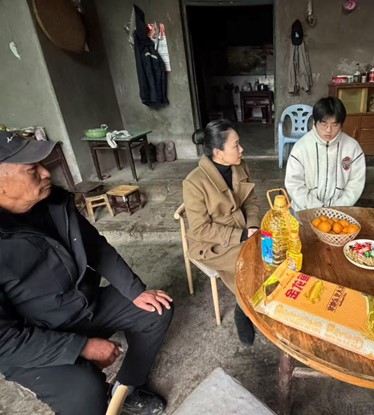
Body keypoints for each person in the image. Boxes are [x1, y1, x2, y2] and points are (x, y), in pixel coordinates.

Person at [0, 132, 174, 415]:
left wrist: (135, 291)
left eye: (42, 164)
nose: (46, 173)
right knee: (85, 390)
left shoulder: (53, 203)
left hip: (82, 305)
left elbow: (95, 247)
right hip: (34, 336)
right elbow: (4, 341)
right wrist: (80, 348)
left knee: (157, 309)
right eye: (32, 169)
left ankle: (127, 389)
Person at [183, 119, 260, 345]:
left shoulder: (240, 166)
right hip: (211, 243)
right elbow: (201, 228)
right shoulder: (194, 183)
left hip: (244, 230)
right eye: (236, 145)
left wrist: (253, 226)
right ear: (218, 152)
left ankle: (249, 305)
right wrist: (242, 236)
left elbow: (251, 202)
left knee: (273, 251)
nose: (241, 149)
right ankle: (242, 312)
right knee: (251, 264)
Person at [285, 96, 366, 212]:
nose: (329, 130)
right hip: (305, 211)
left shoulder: (353, 148)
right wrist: (318, 209)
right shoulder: (301, 148)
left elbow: (355, 184)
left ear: (341, 124)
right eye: (324, 124)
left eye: (335, 124)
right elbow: (294, 184)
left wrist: (336, 210)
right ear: (315, 122)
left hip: (340, 212)